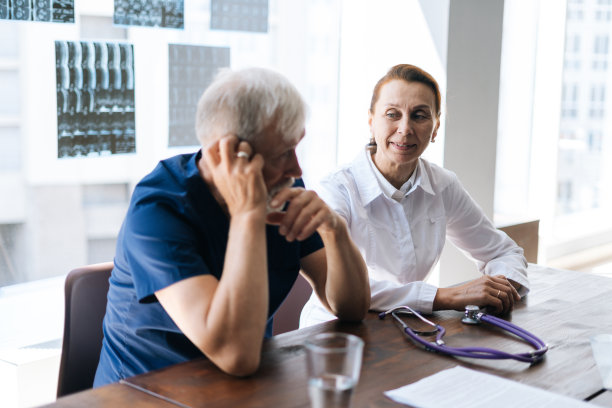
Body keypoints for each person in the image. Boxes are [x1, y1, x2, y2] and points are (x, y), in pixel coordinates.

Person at [94, 67, 370, 386]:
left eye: (296, 148)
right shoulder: (158, 210)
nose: (296, 168)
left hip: (239, 389)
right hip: (144, 393)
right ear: (225, 153)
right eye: (283, 154)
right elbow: (236, 355)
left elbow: (352, 308)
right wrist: (247, 214)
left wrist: (333, 230)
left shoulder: (280, 187)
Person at [300, 64, 529, 327]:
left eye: (420, 116)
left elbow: (504, 253)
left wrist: (501, 288)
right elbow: (341, 287)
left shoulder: (443, 185)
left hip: (404, 330)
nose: (405, 128)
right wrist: (441, 297)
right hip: (331, 331)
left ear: (435, 128)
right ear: (371, 122)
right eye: (392, 114)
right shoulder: (336, 189)